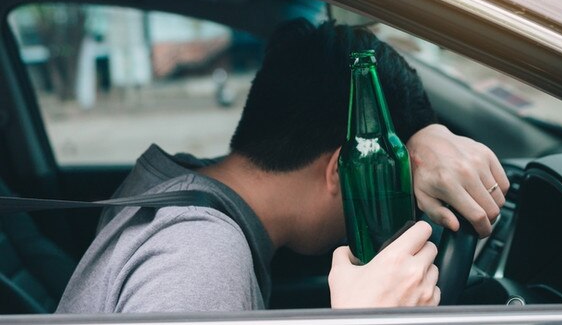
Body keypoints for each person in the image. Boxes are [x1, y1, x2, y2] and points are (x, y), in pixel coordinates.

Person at [56, 19, 509, 313]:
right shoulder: (201, 258)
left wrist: (421, 140)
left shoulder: (172, 186)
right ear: (338, 170)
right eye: (390, 184)